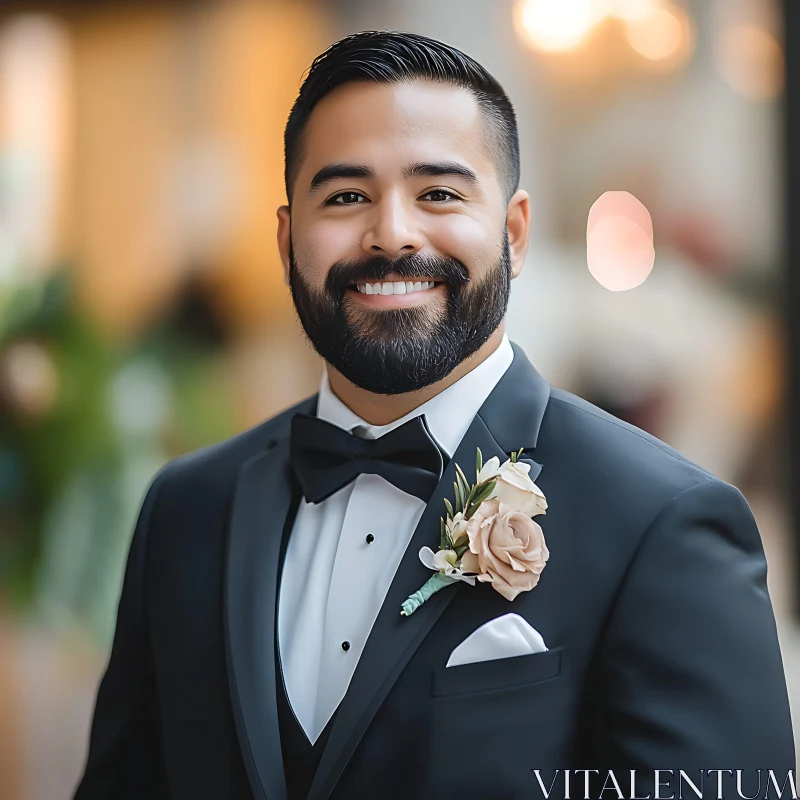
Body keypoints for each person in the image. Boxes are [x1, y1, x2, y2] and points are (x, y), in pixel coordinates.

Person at [73, 31, 794, 800]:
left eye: (439, 194)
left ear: (514, 234)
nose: (392, 233)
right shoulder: (186, 510)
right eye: (346, 196)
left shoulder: (663, 523)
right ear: (287, 242)